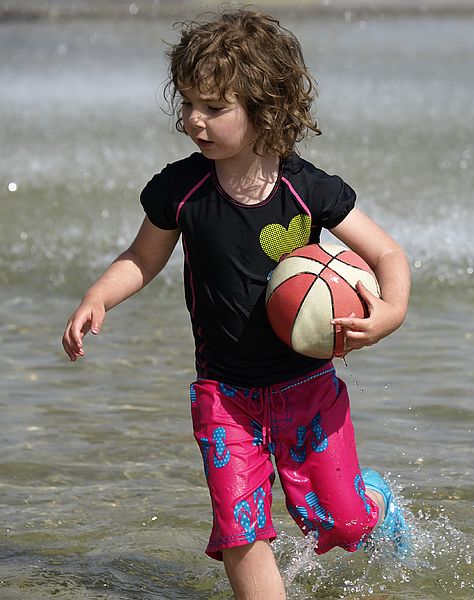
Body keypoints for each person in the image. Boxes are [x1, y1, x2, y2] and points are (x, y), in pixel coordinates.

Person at [61, 8, 412, 598]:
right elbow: (142, 258)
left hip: (307, 387)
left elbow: (389, 256)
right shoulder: (181, 188)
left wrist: (390, 314)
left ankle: (374, 500)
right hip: (223, 395)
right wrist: (99, 297)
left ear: (265, 111)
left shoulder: (309, 189)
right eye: (189, 103)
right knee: (240, 529)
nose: (194, 120)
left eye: (214, 108)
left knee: (340, 524)